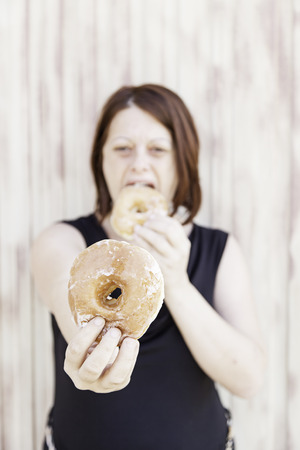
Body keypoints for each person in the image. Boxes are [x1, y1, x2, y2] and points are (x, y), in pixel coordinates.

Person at [31, 84, 266, 450]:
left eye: (158, 149)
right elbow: (67, 294)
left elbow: (249, 380)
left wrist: (173, 280)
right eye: (123, 148)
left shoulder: (219, 248)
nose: (139, 162)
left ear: (180, 161)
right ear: (101, 161)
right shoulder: (64, 241)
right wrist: (89, 357)